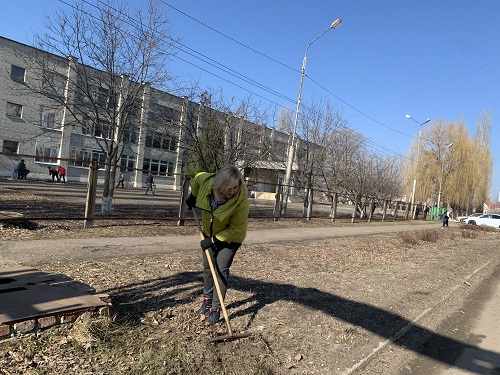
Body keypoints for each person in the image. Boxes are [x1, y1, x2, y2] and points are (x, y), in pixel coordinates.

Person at [186, 165, 249, 327]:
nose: (234, 190)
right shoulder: (207, 181)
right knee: (208, 267)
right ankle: (207, 300)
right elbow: (197, 178)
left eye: (237, 186)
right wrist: (193, 195)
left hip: (231, 238)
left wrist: (213, 240)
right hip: (209, 233)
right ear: (220, 185)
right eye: (230, 187)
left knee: (221, 270)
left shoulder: (241, 200)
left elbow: (236, 228)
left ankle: (216, 308)